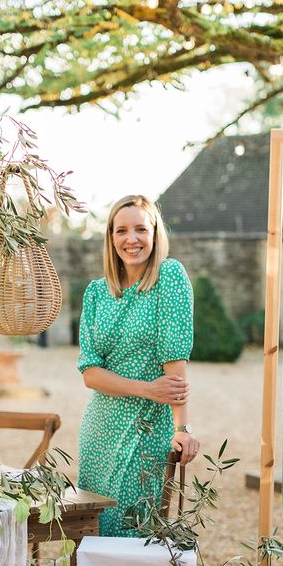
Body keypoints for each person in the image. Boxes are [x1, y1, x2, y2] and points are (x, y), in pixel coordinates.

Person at [77, 193, 200, 537]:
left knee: (134, 532)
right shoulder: (96, 293)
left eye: (140, 230)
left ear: (155, 234)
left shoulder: (169, 278)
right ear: (111, 238)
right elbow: (90, 373)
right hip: (98, 434)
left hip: (146, 431)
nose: (131, 239)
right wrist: (147, 388)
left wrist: (183, 429)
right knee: (93, 530)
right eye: (121, 231)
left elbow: (174, 367)